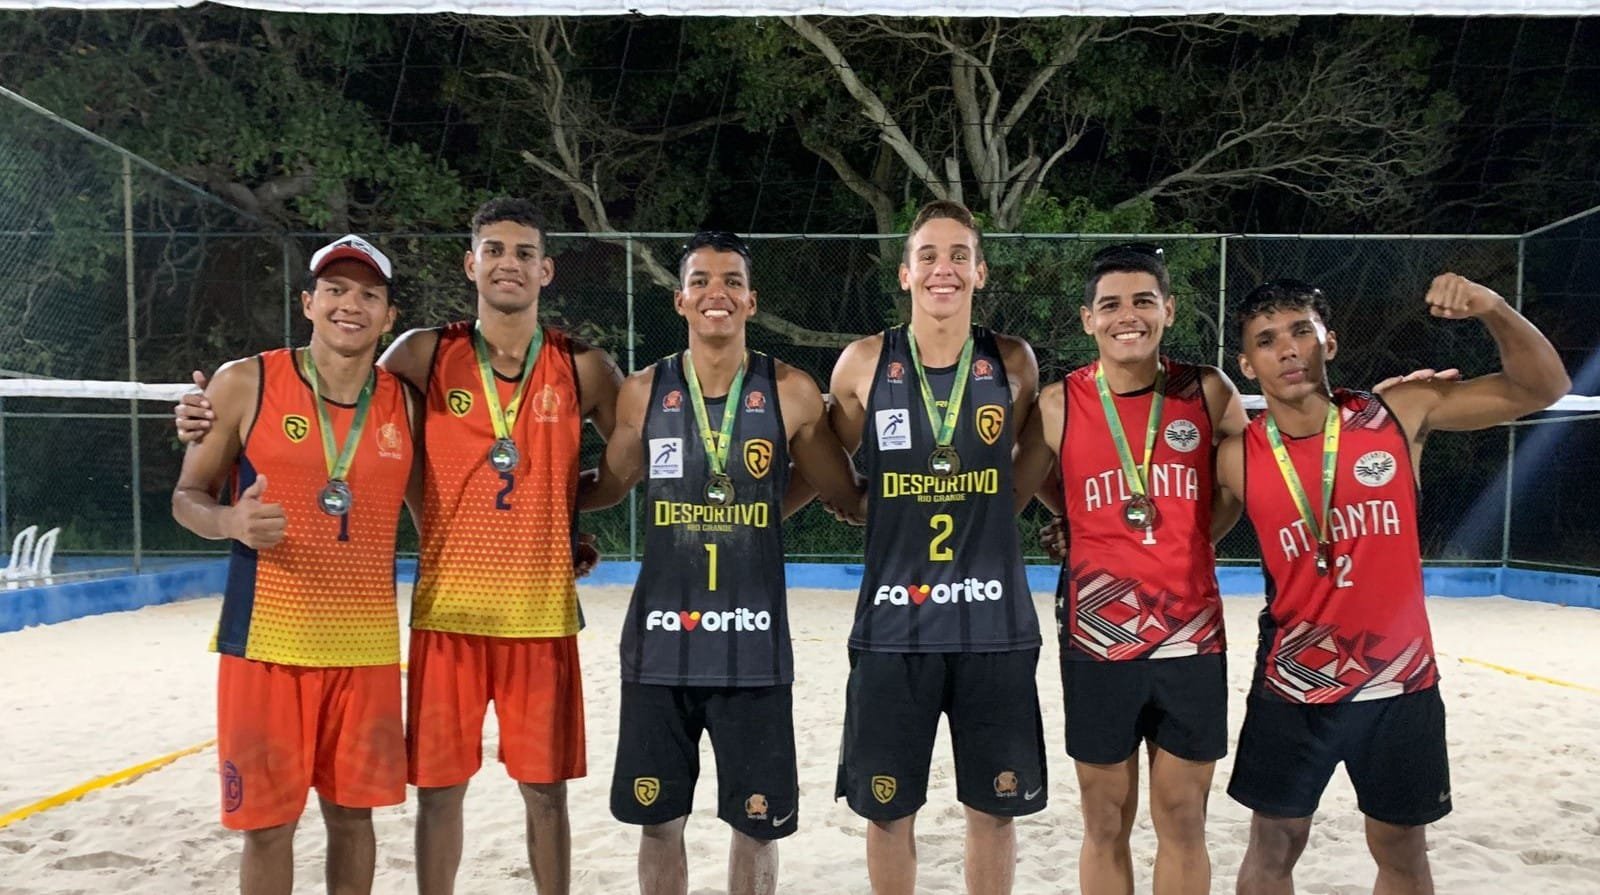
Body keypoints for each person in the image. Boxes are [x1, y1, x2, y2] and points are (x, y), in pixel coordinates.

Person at [175, 198, 623, 895]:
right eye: (494, 249)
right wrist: (215, 455)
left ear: (546, 269)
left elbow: (622, 454)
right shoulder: (401, 359)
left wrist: (561, 519)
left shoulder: (548, 370)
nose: (508, 263)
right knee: (355, 810)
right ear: (470, 263)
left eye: (524, 252)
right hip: (377, 626)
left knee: (503, 799)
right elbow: (206, 483)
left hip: (466, 630)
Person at [1215, 275, 1569, 894]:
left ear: (1329, 341)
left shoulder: (1398, 412)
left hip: (1399, 680)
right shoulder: (1235, 455)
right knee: (1273, 843)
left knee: (1401, 849)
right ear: (1247, 365)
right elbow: (1164, 528)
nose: (1288, 349)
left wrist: (1493, 307)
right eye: (1266, 341)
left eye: (1301, 331)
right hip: (1293, 680)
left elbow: (1543, 387)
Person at [582, 230, 866, 895]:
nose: (718, 293)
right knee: (659, 823)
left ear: (752, 300)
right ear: (680, 300)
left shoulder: (792, 391)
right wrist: (537, 511)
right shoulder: (644, 392)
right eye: (702, 281)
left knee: (758, 824)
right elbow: (609, 486)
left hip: (753, 649)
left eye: (732, 281)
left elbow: (842, 490)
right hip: (661, 645)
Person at [172, 235, 418, 895]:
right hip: (266, 645)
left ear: (389, 316)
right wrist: (230, 521)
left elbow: (449, 501)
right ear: (308, 302)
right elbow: (187, 496)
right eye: (335, 290)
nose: (350, 305)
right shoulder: (246, 381)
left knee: (354, 818)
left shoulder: (405, 403)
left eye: (368, 295)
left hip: (365, 649)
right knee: (268, 826)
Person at [824, 200, 1046, 895]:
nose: (942, 269)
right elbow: (830, 460)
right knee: (888, 810)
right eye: (928, 255)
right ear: (904, 272)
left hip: (993, 623)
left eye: (958, 256)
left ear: (980, 271)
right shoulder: (863, 363)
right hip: (894, 626)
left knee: (995, 810)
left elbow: (1024, 470)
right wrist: (856, 504)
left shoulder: (1013, 362)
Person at [1012, 244, 1246, 895]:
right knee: (1105, 819)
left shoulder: (1207, 390)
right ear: (1088, 318)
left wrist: (1199, 533)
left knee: (1183, 818)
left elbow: (1245, 479)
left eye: (1143, 301)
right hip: (1098, 637)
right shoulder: (1059, 402)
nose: (1128, 316)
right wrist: (1077, 520)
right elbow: (1018, 490)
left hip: (1190, 636)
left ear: (1168, 309)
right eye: (1111, 304)